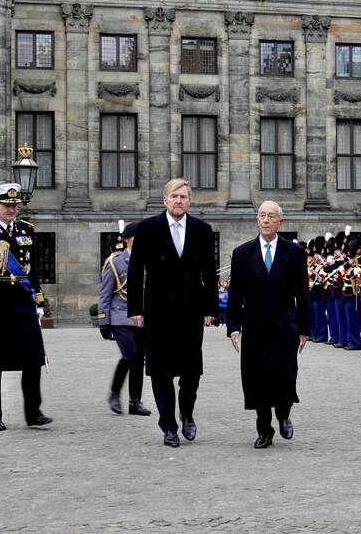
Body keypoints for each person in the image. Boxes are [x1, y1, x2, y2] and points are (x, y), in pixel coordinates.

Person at [128, 178, 218, 448]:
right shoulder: (148, 229)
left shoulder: (202, 229)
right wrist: (135, 309)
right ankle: (168, 424)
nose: (179, 201)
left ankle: (187, 412)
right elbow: (135, 271)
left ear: (189, 201)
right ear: (165, 200)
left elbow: (209, 273)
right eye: (174, 196)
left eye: (184, 197)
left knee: (191, 372)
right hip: (158, 309)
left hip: (191, 309)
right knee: (161, 371)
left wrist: (211, 309)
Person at [226, 201, 310, 449]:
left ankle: (283, 413)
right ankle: (264, 428)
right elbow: (235, 295)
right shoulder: (242, 253)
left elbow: (302, 293)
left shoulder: (294, 253)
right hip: (254, 325)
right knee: (257, 379)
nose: (265, 220)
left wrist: (304, 329)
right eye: (262, 215)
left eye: (271, 216)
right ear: (257, 220)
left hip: (285, 325)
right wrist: (233, 327)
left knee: (286, 375)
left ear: (280, 222)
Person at [0, 182, 50, 431]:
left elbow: (32, 269)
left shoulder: (26, 230)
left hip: (22, 305)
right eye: (6, 205)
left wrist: (38, 300)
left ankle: (33, 412)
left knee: (33, 359)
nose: (11, 209)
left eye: (14, 205)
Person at [99, 222, 151, 417]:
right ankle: (114, 393)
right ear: (127, 239)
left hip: (142, 317)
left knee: (139, 360)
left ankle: (134, 401)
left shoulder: (149, 260)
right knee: (129, 355)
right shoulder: (116, 262)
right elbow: (105, 293)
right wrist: (103, 321)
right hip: (120, 315)